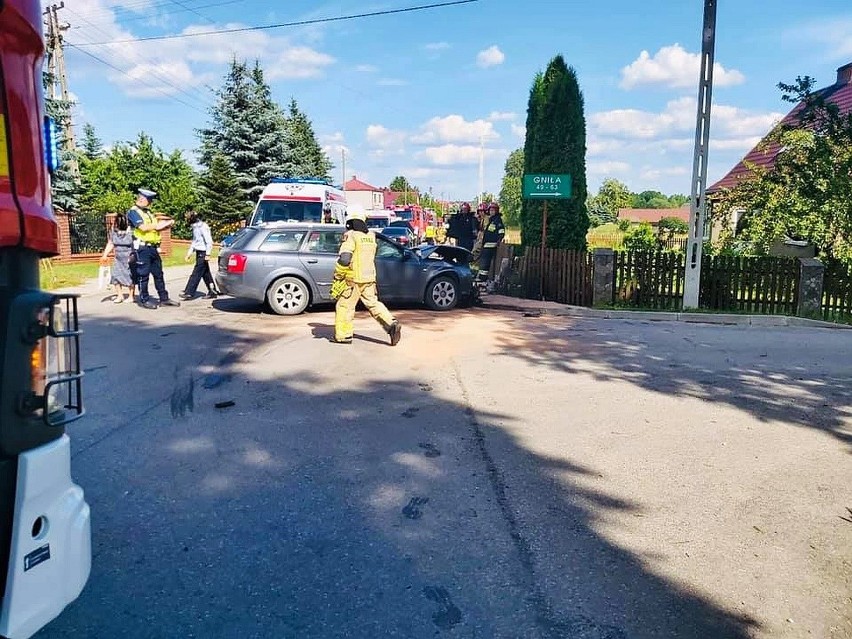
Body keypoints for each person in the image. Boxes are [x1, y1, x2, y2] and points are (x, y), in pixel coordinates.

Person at [332, 210, 402, 346]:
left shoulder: (351, 236)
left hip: (352, 280)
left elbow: (345, 258)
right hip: (369, 278)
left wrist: (338, 275)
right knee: (373, 304)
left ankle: (343, 336)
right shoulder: (371, 236)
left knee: (344, 306)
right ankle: (391, 324)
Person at [127, 188, 180, 309]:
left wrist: (166, 225)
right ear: (142, 198)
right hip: (142, 247)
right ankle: (144, 299)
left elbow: (154, 229)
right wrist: (159, 225)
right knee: (143, 274)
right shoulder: (133, 212)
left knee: (158, 274)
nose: (150, 202)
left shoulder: (148, 212)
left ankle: (164, 299)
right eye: (149, 200)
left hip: (152, 247)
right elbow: (144, 228)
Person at [180, 211, 220, 300]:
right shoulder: (195, 227)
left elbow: (209, 241)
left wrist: (208, 254)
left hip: (204, 252)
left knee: (196, 273)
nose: (187, 220)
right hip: (199, 252)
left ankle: (189, 292)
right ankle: (212, 291)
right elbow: (195, 241)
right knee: (206, 273)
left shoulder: (203, 227)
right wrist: (189, 253)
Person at [100, 212, 134, 304]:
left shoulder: (131, 232)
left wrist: (133, 256)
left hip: (129, 257)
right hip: (118, 257)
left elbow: (134, 245)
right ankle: (120, 295)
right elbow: (111, 243)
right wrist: (105, 255)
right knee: (115, 275)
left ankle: (131, 296)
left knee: (129, 276)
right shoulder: (113, 232)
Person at [476, 201, 506, 286]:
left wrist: (499, 239)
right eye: (490, 210)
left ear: (496, 211)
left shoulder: (497, 220)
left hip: (491, 245)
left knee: (485, 262)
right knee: (483, 261)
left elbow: (501, 231)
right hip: (486, 244)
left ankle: (483, 279)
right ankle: (481, 277)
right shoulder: (491, 220)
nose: (491, 212)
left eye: (493, 210)